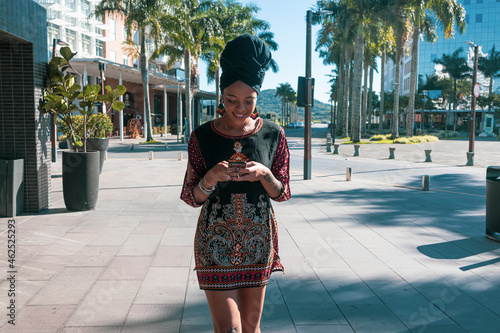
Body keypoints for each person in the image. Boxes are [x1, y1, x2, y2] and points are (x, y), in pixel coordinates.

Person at [180, 34, 291, 333]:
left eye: (248, 100)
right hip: (214, 244)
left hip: (258, 243)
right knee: (230, 329)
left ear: (257, 97)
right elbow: (192, 198)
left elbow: (282, 193)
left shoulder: (273, 134)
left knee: (251, 329)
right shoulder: (202, 137)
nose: (239, 108)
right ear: (221, 95)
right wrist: (210, 178)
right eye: (231, 100)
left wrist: (265, 175)